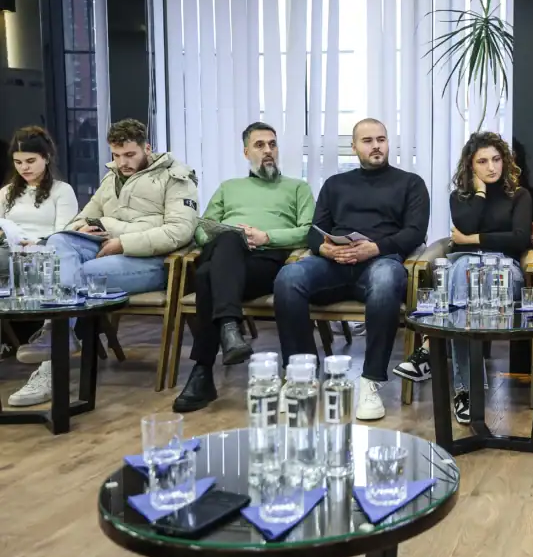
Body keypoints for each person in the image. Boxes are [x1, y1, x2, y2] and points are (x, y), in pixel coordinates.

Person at [11, 118, 199, 406]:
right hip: (104, 247)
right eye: (116, 155)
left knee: (80, 276)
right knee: (59, 241)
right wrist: (83, 227)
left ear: (147, 148)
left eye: (130, 154)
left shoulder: (176, 178)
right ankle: (57, 335)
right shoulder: (111, 179)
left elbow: (179, 232)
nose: (122, 162)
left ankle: (50, 366)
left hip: (150, 261)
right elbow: (80, 218)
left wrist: (123, 241)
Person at [273, 118, 428, 421]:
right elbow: (314, 232)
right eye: (367, 141)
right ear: (354, 147)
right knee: (288, 277)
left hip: (380, 262)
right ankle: (301, 375)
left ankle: (370, 382)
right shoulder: (335, 184)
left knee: (386, 279)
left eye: (381, 139)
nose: (376, 146)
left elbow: (415, 232)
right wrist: (325, 249)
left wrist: (376, 247)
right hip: (334, 264)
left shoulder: (411, 183)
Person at [172, 122, 314, 413]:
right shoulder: (229, 187)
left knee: (206, 276)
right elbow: (201, 230)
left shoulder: (297, 187)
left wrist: (266, 237)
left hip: (266, 263)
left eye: (272, 144)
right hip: (227, 256)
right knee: (227, 239)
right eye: (260, 145)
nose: (268, 150)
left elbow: (308, 231)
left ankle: (204, 370)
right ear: (246, 152)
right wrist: (229, 235)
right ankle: (228, 330)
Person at [393, 132, 532, 423]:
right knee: (461, 271)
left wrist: (473, 240)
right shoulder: (461, 197)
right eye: (482, 161)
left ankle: (432, 350)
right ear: (471, 166)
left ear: (505, 161)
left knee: (461, 272)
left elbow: (519, 239)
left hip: (504, 269)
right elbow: (465, 225)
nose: (491, 167)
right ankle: (466, 391)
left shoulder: (519, 196)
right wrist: (480, 194)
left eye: (496, 159)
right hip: (467, 268)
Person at [1, 127, 80, 407]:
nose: (24, 168)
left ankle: (48, 370)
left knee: (54, 263)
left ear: (46, 157)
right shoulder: (6, 193)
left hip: (47, 254)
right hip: (9, 255)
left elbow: (65, 236)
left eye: (31, 161)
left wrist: (35, 242)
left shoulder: (62, 191)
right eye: (18, 162)